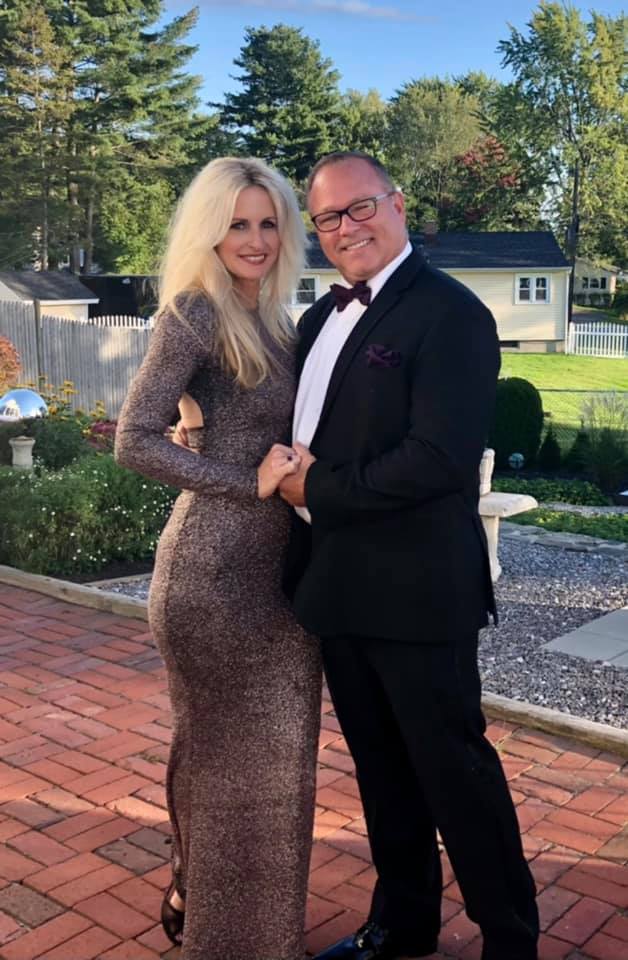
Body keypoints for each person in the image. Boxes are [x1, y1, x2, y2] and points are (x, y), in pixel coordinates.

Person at [279, 152, 539, 960]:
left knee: (456, 775)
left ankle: (511, 939)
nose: (346, 227)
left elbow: (438, 460)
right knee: (382, 772)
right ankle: (403, 925)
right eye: (328, 217)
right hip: (339, 585)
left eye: (360, 207)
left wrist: (316, 488)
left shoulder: (451, 314)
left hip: (420, 592)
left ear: (397, 204)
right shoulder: (316, 323)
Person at [114, 156, 322, 960]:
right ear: (210, 231)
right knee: (224, 758)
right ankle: (225, 935)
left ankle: (234, 916)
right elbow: (134, 440)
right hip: (213, 574)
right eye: (237, 224)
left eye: (269, 223)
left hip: (280, 578)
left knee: (277, 762)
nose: (256, 239)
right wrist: (246, 482)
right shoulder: (194, 313)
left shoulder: (275, 317)